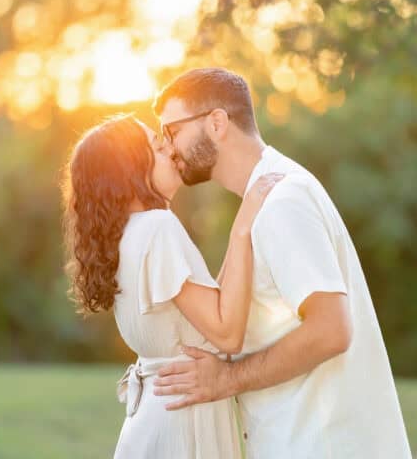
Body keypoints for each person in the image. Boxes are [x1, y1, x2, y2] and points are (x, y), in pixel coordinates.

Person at [152, 67, 412, 458]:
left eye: (172, 131)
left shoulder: (282, 201)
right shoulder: (265, 201)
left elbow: (332, 329)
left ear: (217, 123)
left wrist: (227, 380)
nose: (170, 148)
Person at [61, 113, 282, 458]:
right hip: (182, 422)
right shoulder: (157, 228)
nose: (171, 149)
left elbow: (207, 315)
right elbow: (226, 334)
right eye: (157, 146)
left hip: (158, 417)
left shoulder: (129, 234)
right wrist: (242, 228)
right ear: (131, 170)